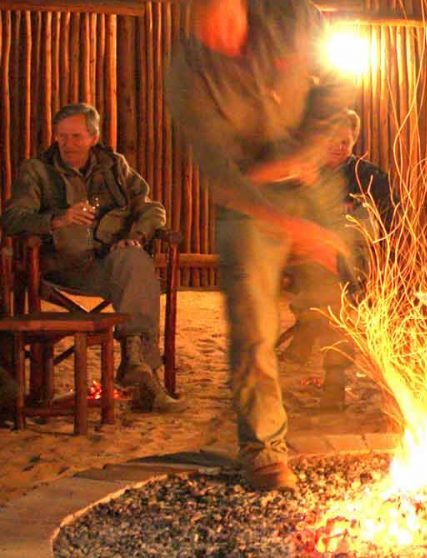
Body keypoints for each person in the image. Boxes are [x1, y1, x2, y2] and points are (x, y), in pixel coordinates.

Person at [166, 0, 356, 491]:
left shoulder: (293, 17)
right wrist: (289, 223)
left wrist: (303, 154)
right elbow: (219, 170)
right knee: (252, 326)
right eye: (207, 24)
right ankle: (265, 452)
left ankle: (372, 398)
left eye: (227, 18)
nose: (220, 34)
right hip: (248, 201)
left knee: (346, 293)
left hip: (310, 179)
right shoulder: (188, 72)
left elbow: (338, 84)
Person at [1, 103, 183, 414]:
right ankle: (142, 376)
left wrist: (136, 236)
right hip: (58, 267)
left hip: (105, 264)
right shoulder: (37, 170)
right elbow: (12, 219)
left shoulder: (114, 166)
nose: (67, 144)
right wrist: (57, 219)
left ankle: (136, 365)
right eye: (61, 136)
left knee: (135, 259)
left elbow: (151, 208)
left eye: (76, 136)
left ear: (93, 137)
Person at [281, 109, 395, 366]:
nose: (339, 147)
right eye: (333, 140)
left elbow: (391, 218)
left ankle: (330, 364)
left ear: (354, 140)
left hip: (356, 260)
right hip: (307, 257)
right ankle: (309, 340)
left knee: (333, 290)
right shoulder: (305, 176)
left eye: (345, 141)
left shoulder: (369, 177)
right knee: (317, 286)